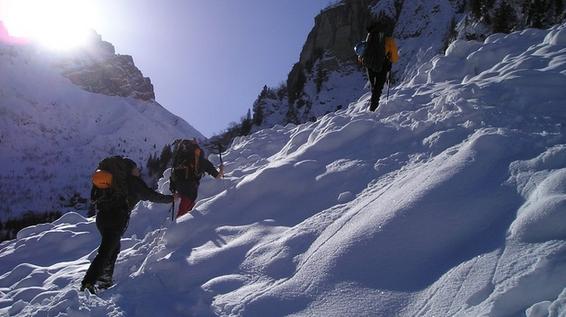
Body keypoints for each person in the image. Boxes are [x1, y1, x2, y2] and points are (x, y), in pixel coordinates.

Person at [81, 157, 174, 293]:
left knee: (112, 248)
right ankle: (88, 283)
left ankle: (104, 281)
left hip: (102, 217)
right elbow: (150, 195)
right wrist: (171, 199)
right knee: (106, 251)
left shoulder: (112, 180)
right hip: (116, 218)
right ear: (130, 169)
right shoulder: (132, 182)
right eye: (136, 169)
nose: (138, 171)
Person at [170, 139, 223, 218]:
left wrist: (173, 189)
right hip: (190, 189)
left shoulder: (180, 159)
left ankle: (187, 226)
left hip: (178, 187)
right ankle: (176, 228)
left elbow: (173, 174)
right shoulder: (201, 160)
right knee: (183, 213)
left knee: (188, 210)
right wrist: (221, 169)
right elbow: (217, 176)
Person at [359, 15, 399, 112]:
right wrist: (391, 60)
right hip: (382, 63)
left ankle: (373, 104)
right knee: (378, 87)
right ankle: (373, 108)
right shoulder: (388, 39)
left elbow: (364, 51)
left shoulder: (370, 35)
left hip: (369, 64)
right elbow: (394, 57)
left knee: (373, 85)